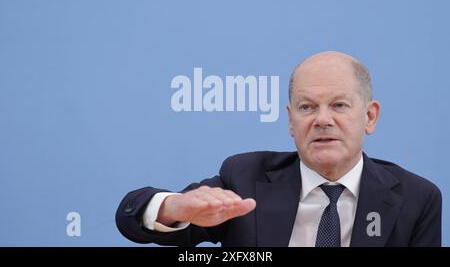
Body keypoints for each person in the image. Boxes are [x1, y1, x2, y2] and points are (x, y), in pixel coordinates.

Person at [115, 51, 442, 247]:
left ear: (369, 117)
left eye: (339, 105)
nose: (322, 120)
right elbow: (131, 216)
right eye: (307, 107)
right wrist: (173, 208)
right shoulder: (245, 178)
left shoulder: (416, 199)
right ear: (290, 120)